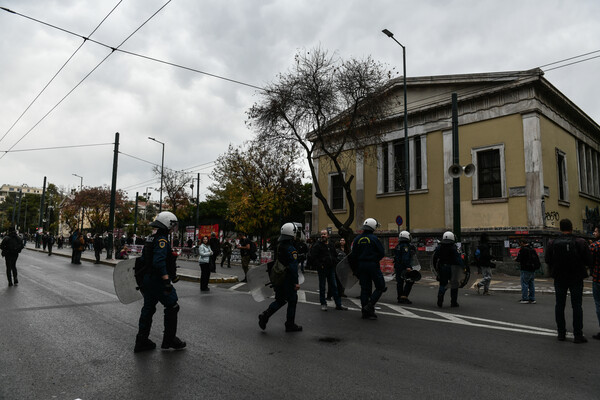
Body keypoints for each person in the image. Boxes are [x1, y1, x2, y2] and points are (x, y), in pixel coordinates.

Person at [134, 211, 186, 353]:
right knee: (173, 306)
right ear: (167, 224)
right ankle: (169, 340)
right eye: (172, 225)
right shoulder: (162, 240)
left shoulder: (151, 238)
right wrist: (166, 280)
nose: (173, 228)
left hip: (148, 280)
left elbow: (145, 260)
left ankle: (141, 340)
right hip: (158, 280)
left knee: (148, 308)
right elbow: (158, 262)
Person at [545, 218, 590, 343]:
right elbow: (588, 260)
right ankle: (578, 335)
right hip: (576, 277)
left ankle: (561, 333)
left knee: (559, 305)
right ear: (571, 228)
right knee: (577, 306)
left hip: (559, 277)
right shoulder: (580, 241)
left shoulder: (552, 242)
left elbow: (548, 260)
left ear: (560, 228)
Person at [258, 222, 303, 332]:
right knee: (292, 300)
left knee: (280, 300)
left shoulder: (280, 246)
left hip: (279, 278)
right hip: (288, 280)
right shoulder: (291, 249)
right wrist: (296, 283)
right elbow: (292, 268)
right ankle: (290, 324)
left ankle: (265, 315)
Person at [348, 218, 386, 320]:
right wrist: (374, 259)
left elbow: (353, 255)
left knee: (365, 289)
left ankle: (365, 312)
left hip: (361, 266)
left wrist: (355, 270)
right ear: (373, 226)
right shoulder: (374, 239)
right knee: (381, 286)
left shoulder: (357, 239)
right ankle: (369, 306)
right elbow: (382, 253)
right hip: (372, 265)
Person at [311, 230, 348, 311]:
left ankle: (338, 304)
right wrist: (320, 265)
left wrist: (334, 262)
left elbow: (334, 255)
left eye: (324, 234)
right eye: (322, 234)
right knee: (322, 286)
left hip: (331, 268)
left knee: (334, 286)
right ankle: (323, 304)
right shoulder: (317, 245)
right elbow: (314, 257)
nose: (323, 235)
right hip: (322, 269)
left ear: (328, 235)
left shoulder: (331, 244)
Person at [432, 231, 465, 308]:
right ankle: (453, 302)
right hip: (453, 268)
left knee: (443, 283)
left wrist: (436, 268)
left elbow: (435, 258)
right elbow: (458, 259)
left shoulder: (439, 247)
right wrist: (462, 267)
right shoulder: (453, 247)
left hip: (442, 266)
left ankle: (440, 296)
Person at [394, 230, 417, 304]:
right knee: (410, 280)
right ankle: (404, 297)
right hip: (404, 266)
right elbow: (405, 258)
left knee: (399, 282)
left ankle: (399, 297)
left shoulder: (398, 246)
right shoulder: (405, 246)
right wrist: (408, 267)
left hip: (398, 266)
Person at [515, 238, 540, 304]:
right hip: (532, 269)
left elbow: (519, 259)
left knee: (524, 283)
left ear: (522, 243)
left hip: (525, 268)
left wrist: (516, 259)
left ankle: (525, 298)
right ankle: (532, 298)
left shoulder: (523, 249)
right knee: (531, 284)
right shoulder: (532, 249)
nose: (519, 244)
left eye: (520, 243)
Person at [589, 225, 600, 340]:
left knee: (599, 304)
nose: (593, 233)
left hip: (598, 279)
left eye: (596, 231)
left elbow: (587, 259)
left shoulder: (595, 246)